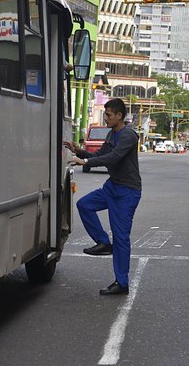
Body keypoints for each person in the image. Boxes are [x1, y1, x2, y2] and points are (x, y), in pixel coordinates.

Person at [63, 98, 142, 296]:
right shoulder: (111, 133)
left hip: (127, 192)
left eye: (108, 115)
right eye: (105, 114)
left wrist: (86, 161)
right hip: (112, 187)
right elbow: (102, 153)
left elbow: (113, 157)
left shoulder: (128, 136)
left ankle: (121, 283)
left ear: (119, 116)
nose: (105, 118)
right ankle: (104, 243)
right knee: (84, 204)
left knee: (122, 237)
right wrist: (79, 151)